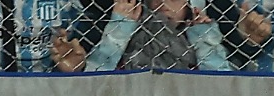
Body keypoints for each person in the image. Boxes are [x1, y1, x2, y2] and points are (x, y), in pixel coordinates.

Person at [82, 0, 235, 71]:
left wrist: (204, 39)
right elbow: (95, 79)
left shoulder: (197, 40)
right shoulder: (127, 40)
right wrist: (120, 29)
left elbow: (220, 85)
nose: (163, 5)